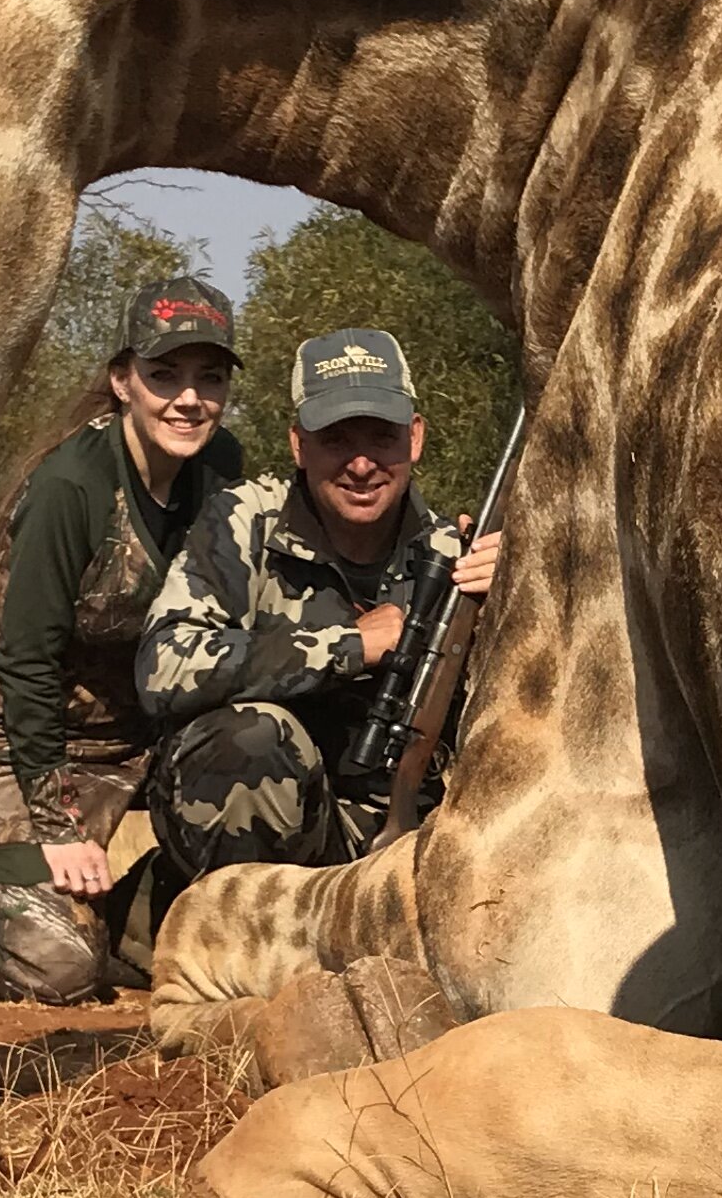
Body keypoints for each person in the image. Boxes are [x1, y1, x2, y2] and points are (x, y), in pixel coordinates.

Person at [0, 274, 245, 1002]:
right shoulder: (72, 487)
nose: (188, 399)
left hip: (140, 737)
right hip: (18, 739)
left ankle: (118, 913)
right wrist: (57, 825)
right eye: (165, 375)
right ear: (122, 381)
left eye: (209, 378)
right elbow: (27, 664)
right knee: (60, 968)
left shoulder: (223, 470)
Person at [134, 325, 505, 882]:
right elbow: (164, 666)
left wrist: (520, 595)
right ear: (298, 445)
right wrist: (350, 646)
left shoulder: (462, 561)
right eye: (336, 439)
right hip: (251, 831)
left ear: (416, 439)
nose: (360, 465)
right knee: (250, 738)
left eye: (381, 437)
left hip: (398, 847)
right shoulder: (245, 520)